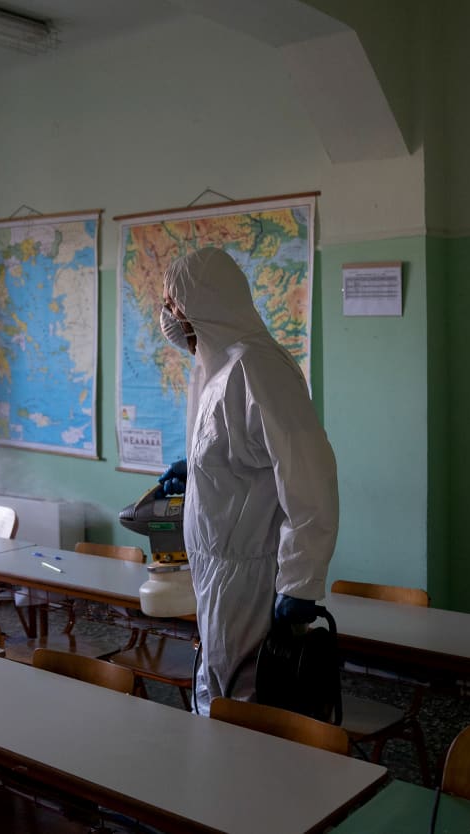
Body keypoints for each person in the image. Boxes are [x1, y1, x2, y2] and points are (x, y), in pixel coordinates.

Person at [160, 246, 339, 714]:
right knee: (218, 695)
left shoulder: (257, 368)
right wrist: (198, 471)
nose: (169, 317)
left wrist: (300, 583)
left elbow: (309, 480)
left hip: (252, 577)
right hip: (217, 571)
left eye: (174, 305)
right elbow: (238, 453)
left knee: (252, 707)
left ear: (203, 303)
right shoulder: (214, 367)